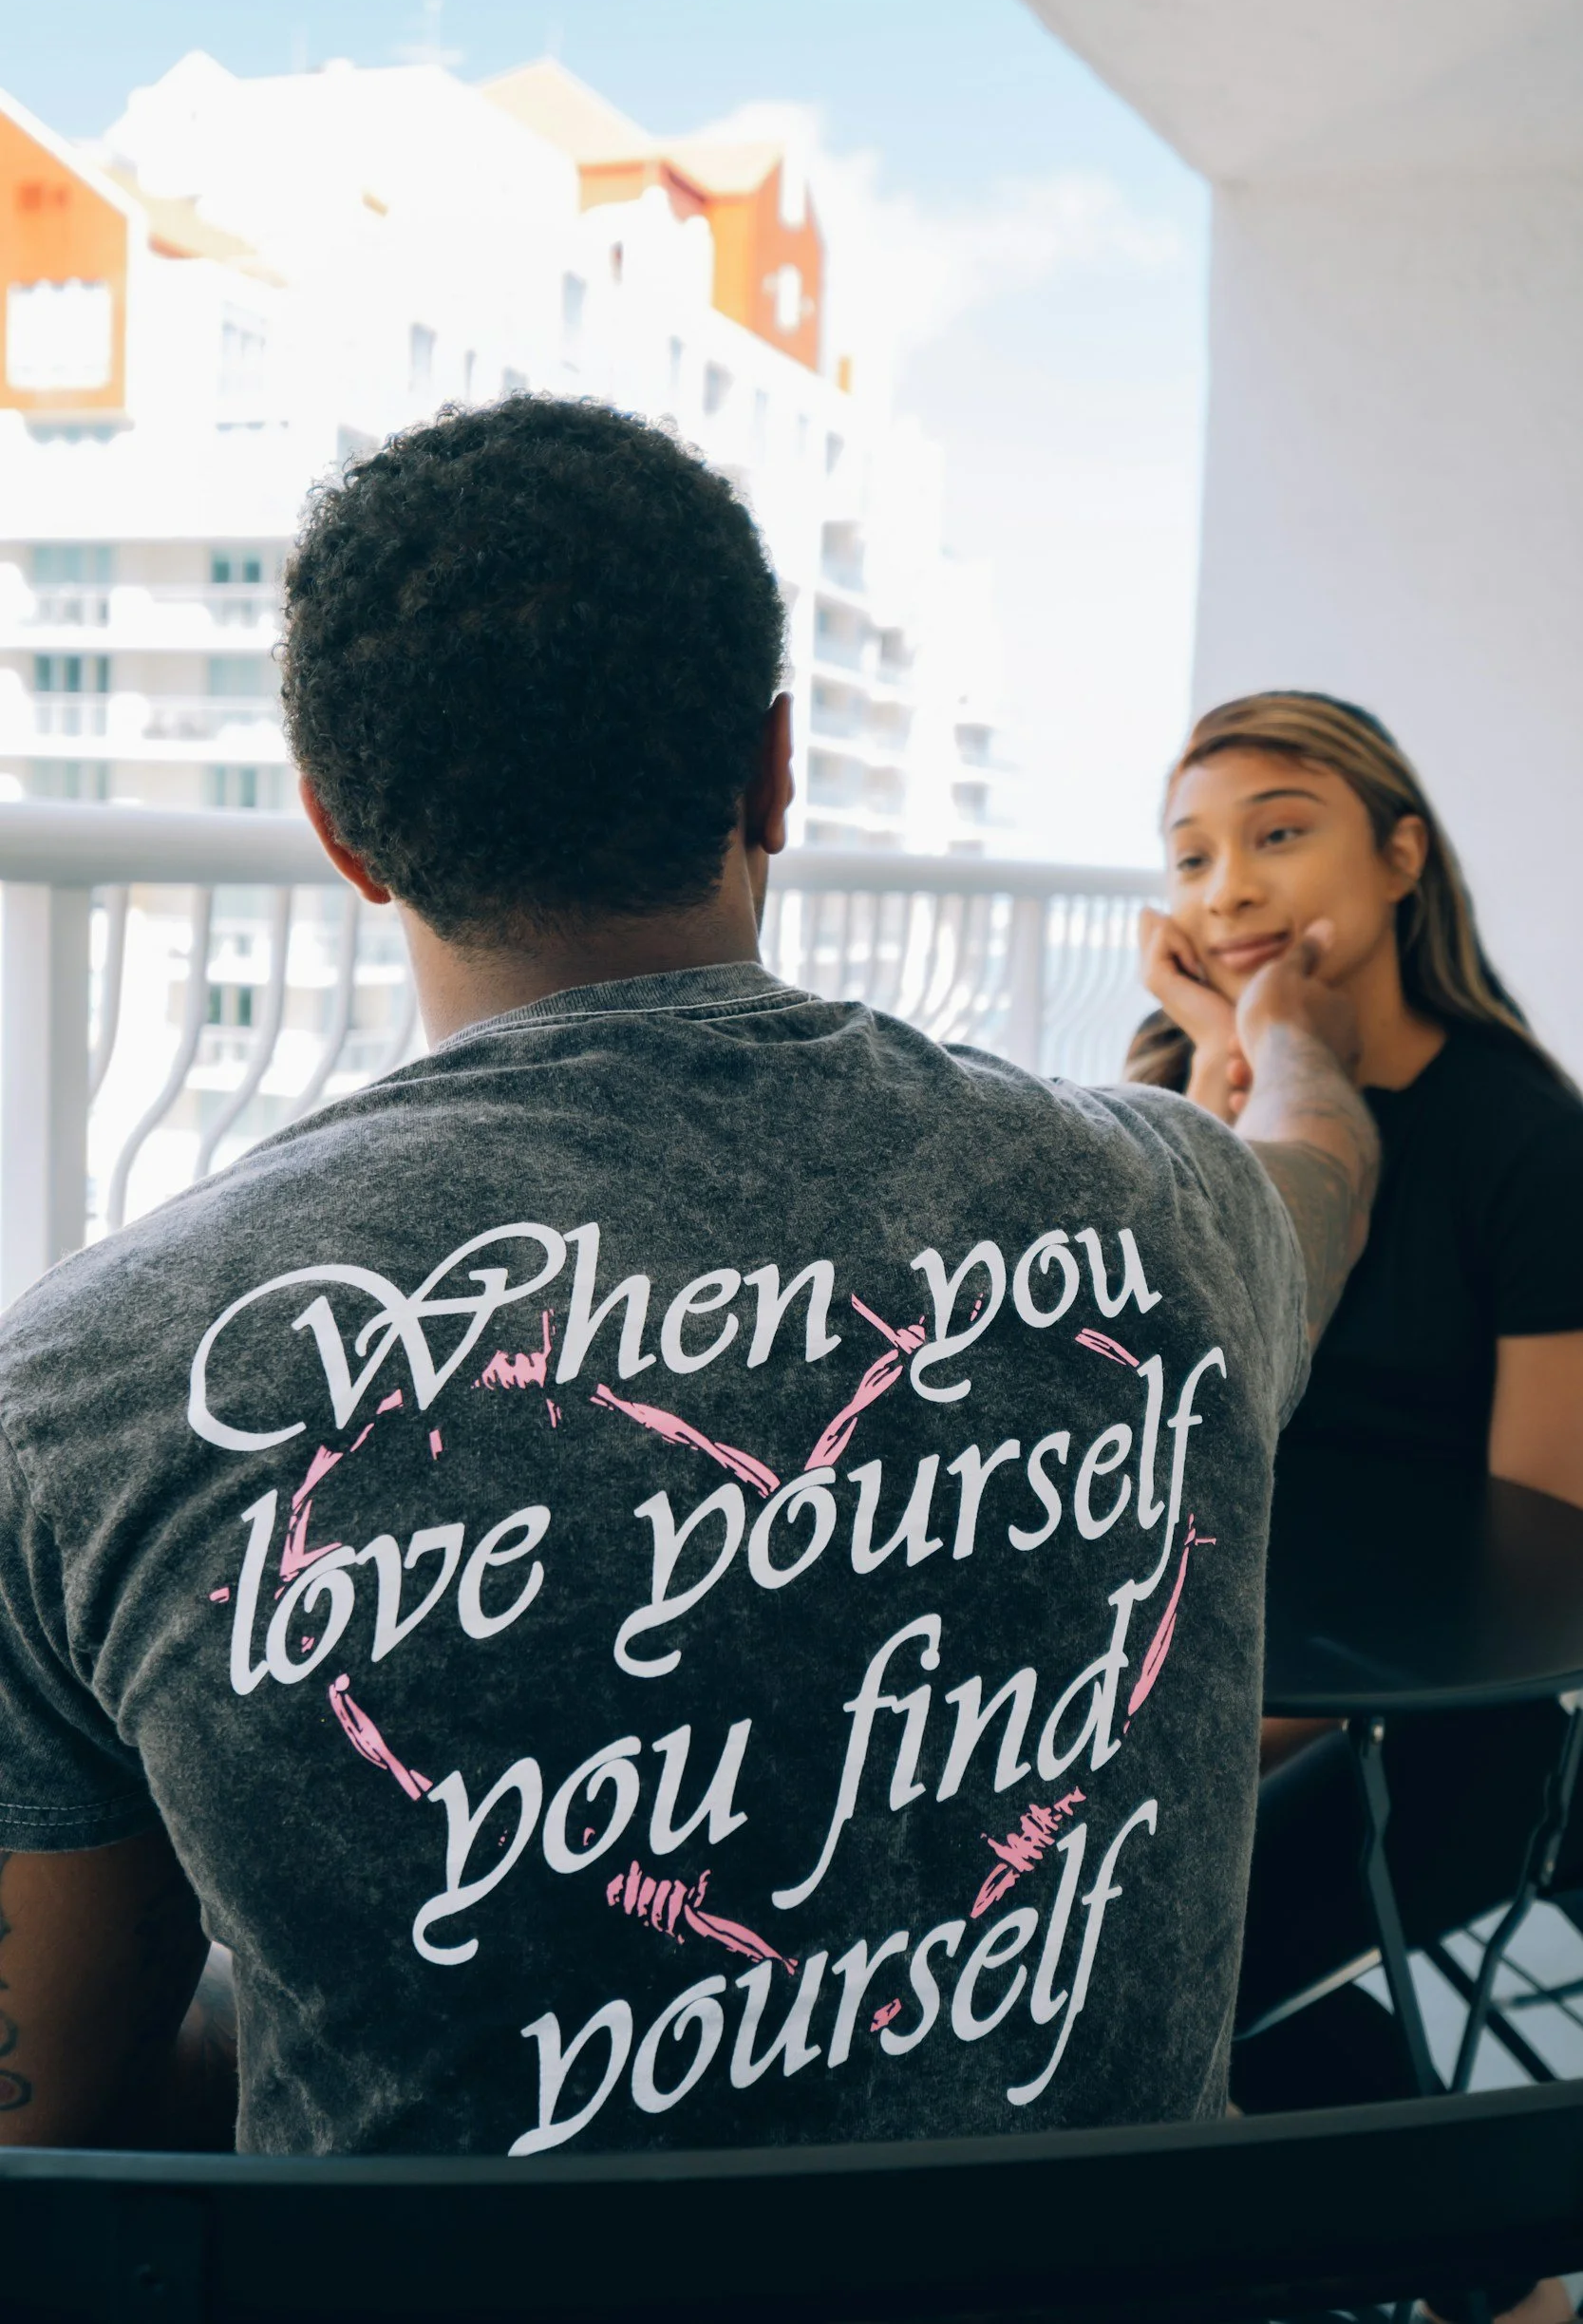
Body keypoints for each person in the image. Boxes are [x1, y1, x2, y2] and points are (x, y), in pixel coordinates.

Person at [0, 401, 1372, 2161]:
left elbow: (62, 2127)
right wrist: (1281, 1036)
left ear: (344, 839)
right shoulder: (1173, 1206)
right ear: (773, 775)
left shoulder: (84, 1394)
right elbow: (1325, 1176)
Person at [1129, 690, 1583, 2324]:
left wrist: (1245, 1719)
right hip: (1217, 1678)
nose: (1229, 887)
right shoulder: (1186, 1105)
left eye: (1277, 833)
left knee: (1146, 1959)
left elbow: (1536, 1543)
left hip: (1438, 1720)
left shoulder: (1525, 1140)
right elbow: (1144, 1404)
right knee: (1109, 1944)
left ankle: (1498, 2286)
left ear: (1400, 858)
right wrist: (1217, 1060)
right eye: (1189, 857)